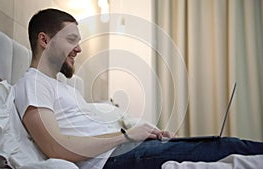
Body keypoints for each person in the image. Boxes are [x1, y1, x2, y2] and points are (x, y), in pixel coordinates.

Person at [14, 8, 263, 169]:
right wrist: (126, 136)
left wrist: (138, 133)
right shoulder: (33, 83)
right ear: (44, 40)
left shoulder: (66, 89)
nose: (79, 49)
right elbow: (56, 148)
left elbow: (84, 134)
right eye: (71, 40)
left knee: (220, 144)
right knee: (223, 147)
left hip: (125, 151)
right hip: (114, 160)